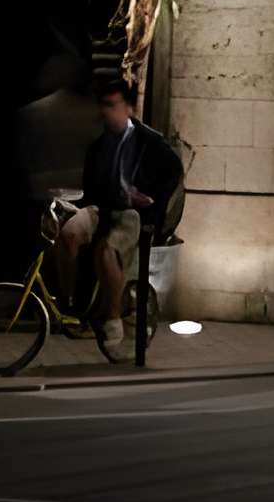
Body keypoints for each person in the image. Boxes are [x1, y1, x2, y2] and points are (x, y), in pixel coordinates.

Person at [56, 75, 183, 356]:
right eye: (104, 106)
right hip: (103, 206)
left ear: (127, 108)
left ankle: (112, 316)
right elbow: (91, 187)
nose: (107, 112)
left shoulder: (148, 142)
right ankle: (70, 301)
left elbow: (174, 172)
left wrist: (151, 198)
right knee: (67, 232)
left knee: (106, 249)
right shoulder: (99, 145)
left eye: (113, 105)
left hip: (132, 211)